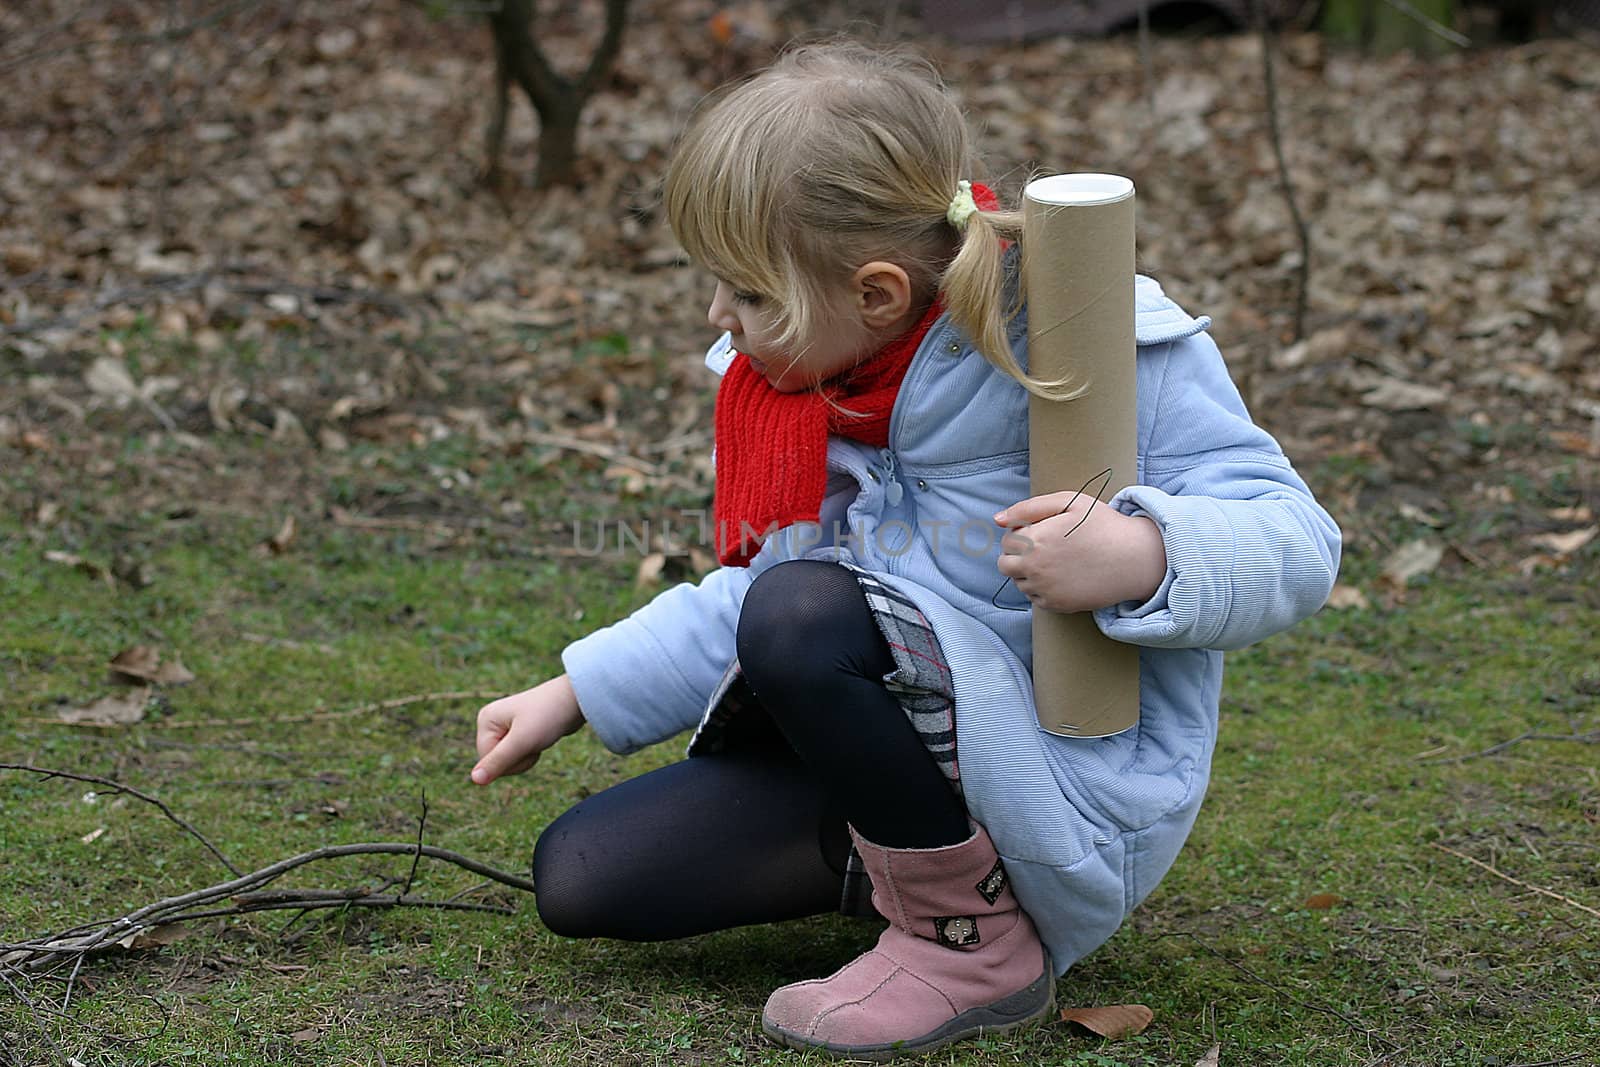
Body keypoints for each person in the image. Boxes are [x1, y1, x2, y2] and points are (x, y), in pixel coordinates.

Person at [470, 40, 1340, 1060]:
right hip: (891, 746)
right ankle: (907, 873)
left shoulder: (1088, 340)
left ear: (876, 293)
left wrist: (1144, 553)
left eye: (745, 294)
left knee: (803, 609)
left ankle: (968, 942)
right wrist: (578, 689)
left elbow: (1298, 540)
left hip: (1062, 788)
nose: (718, 321)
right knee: (583, 873)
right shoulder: (823, 390)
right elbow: (761, 590)